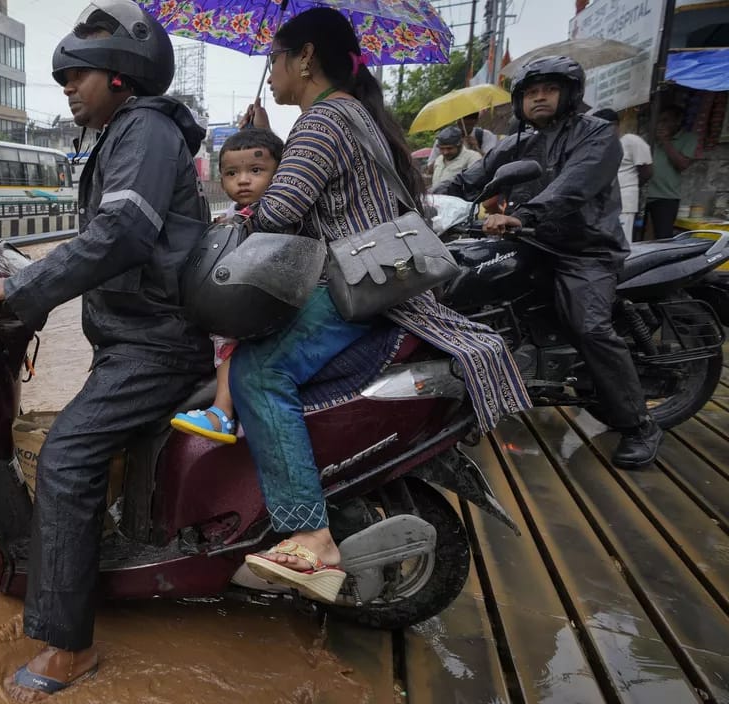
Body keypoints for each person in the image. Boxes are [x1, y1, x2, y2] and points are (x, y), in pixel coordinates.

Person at [234, 8, 530, 601]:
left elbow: (275, 216)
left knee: (257, 372)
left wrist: (265, 162)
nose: (269, 72)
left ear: (305, 57)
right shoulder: (356, 115)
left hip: (361, 289)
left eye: (273, 58)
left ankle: (308, 539)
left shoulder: (322, 122)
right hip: (390, 281)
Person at [0, 0, 211, 702]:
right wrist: (31, 282)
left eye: (79, 74)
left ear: (122, 77)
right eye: (64, 77)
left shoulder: (143, 129)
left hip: (155, 345)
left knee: (68, 455)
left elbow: (120, 236)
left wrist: (24, 288)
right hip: (136, 339)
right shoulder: (130, 133)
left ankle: (69, 648)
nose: (69, 87)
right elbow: (105, 241)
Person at [437, 56, 663, 469]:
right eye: (531, 92)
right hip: (533, 243)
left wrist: (524, 215)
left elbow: (572, 187)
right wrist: (422, 203)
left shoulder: (596, 135)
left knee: (588, 326)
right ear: (521, 100)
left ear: (570, 94)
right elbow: (471, 178)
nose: (540, 97)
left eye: (550, 89)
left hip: (584, 251)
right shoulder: (518, 141)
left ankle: (639, 425)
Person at [170, 128, 283, 444]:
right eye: (233, 173)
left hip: (259, 306)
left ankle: (222, 412)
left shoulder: (274, 212)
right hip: (240, 298)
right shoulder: (232, 214)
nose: (243, 180)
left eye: (256, 171)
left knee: (225, 338)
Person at [592, 108, 652, 247]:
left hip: (625, 201)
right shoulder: (600, 145)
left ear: (616, 125)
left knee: (621, 240)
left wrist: (626, 187)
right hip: (604, 201)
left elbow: (646, 172)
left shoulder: (631, 141)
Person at [645, 105, 697, 241]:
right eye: (659, 121)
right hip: (643, 195)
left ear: (678, 121)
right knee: (637, 235)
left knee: (663, 237)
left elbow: (682, 164)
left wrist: (665, 141)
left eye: (665, 121)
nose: (661, 125)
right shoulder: (649, 138)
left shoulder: (689, 138)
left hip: (666, 197)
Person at [427, 111, 498, 165]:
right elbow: (430, 167)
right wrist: (447, 154)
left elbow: (492, 162)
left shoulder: (485, 135)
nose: (463, 128)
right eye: (460, 123)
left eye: (468, 124)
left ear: (476, 121)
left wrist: (476, 149)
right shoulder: (443, 139)